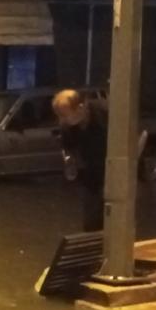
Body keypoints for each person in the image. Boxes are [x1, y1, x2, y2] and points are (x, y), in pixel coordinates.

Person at [53, 89, 108, 231]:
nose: (62, 120)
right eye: (59, 116)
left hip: (113, 167)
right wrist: (69, 161)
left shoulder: (105, 112)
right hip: (92, 172)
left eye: (64, 115)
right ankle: (94, 245)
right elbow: (67, 148)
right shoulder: (68, 127)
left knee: (114, 214)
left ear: (80, 108)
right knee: (92, 218)